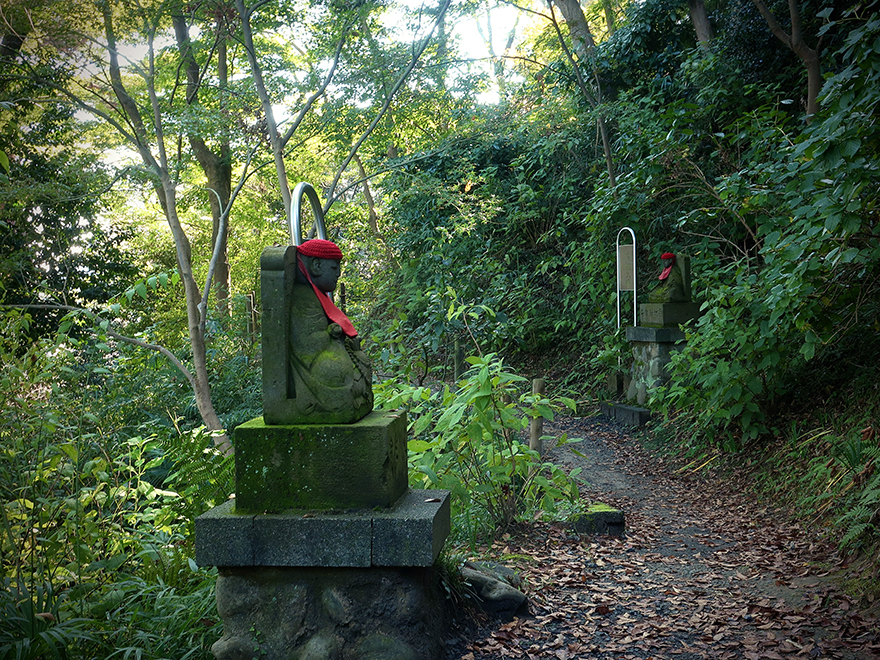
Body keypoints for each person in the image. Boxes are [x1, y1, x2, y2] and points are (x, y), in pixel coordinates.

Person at [287, 239, 373, 423]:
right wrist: (330, 333)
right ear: (316, 266)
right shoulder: (302, 298)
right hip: (313, 361)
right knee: (339, 374)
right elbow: (305, 344)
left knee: (362, 361)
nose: (339, 274)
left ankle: (352, 397)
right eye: (334, 268)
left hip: (330, 352)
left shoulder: (316, 296)